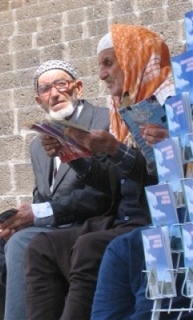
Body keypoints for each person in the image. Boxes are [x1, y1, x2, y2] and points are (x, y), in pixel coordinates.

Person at [24, 24, 175, 320]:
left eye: (109, 63)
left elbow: (167, 180)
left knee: (91, 246)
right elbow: (111, 182)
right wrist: (71, 153)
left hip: (152, 221)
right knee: (40, 246)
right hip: (120, 220)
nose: (102, 75)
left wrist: (115, 150)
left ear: (134, 59)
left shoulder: (173, 107)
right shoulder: (122, 112)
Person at [0, 60, 112, 320]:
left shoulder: (103, 121)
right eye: (45, 89)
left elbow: (102, 193)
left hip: (88, 224)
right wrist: (15, 222)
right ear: (38, 100)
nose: (54, 94)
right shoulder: (38, 145)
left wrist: (38, 215)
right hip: (51, 225)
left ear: (78, 88)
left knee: (23, 242)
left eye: (61, 84)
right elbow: (42, 198)